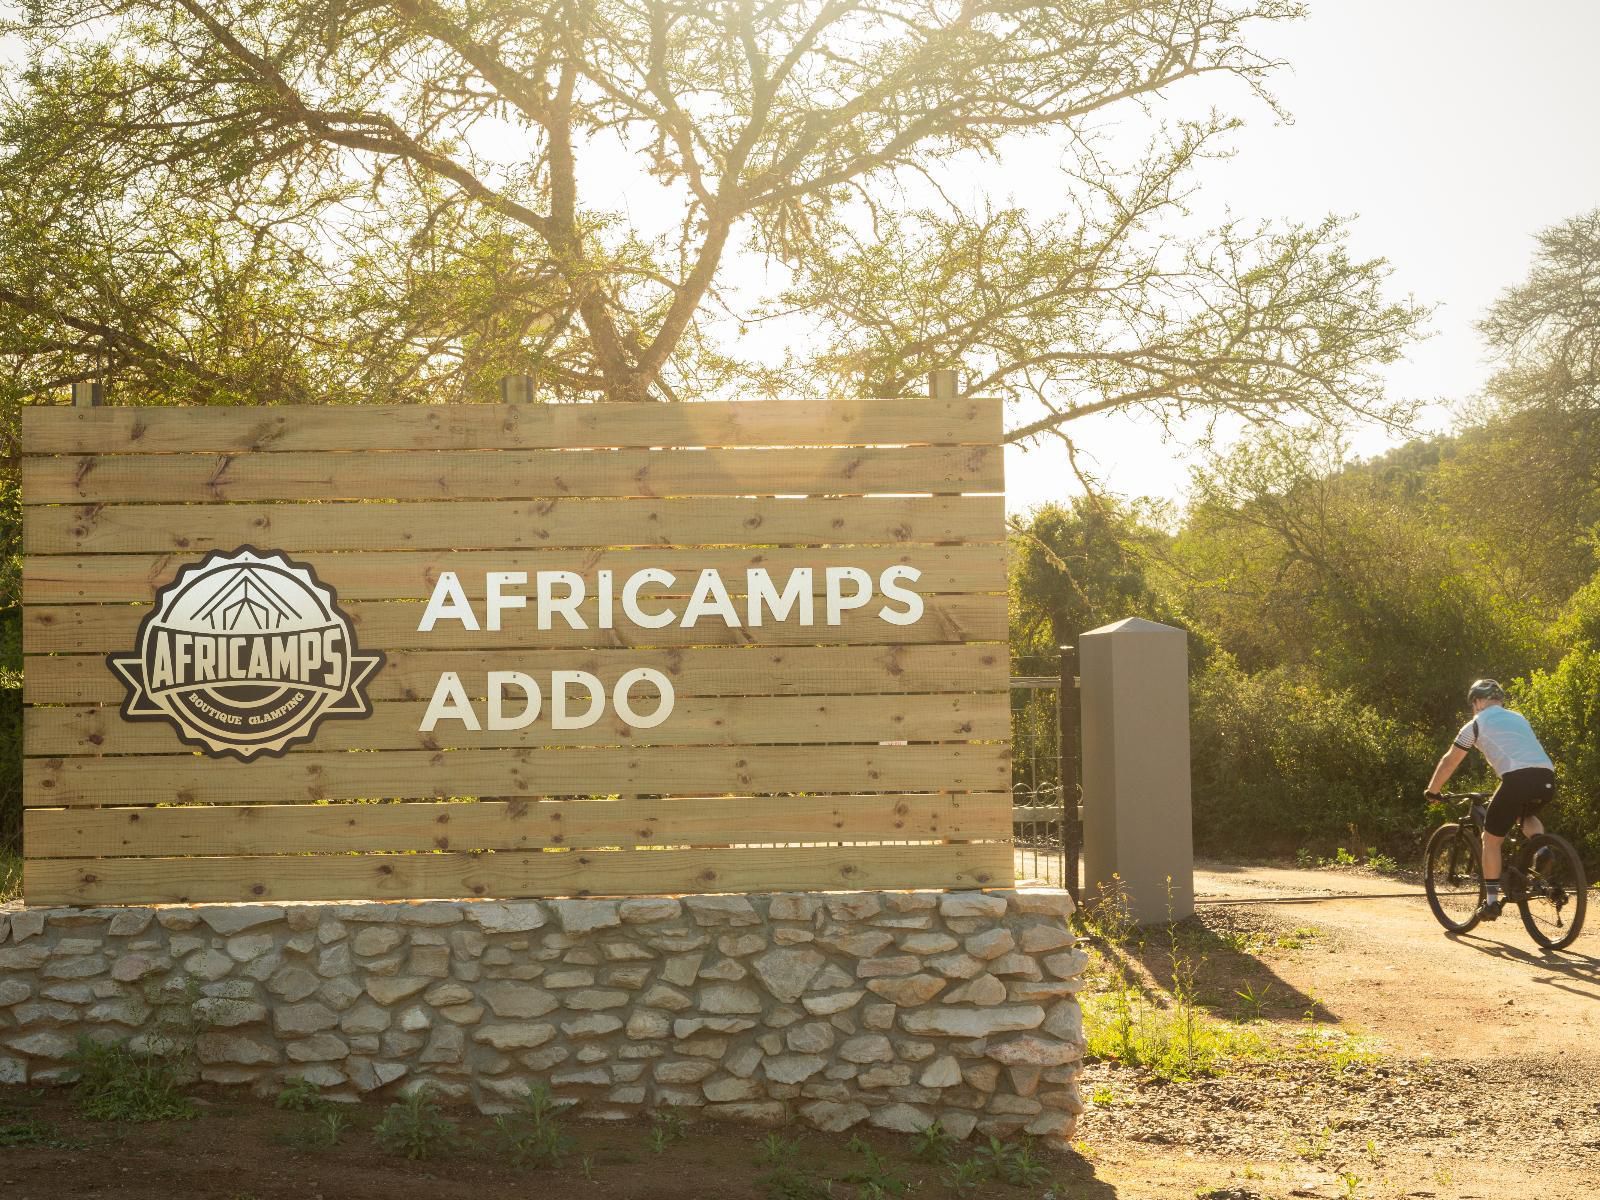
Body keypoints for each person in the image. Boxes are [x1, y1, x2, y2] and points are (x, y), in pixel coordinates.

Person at [1424, 678, 1555, 921]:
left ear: (1478, 701)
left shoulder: (1475, 724)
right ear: (1498, 699)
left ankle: (1492, 902)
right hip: (1546, 777)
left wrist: (1433, 790)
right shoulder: (1518, 717)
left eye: (1473, 704)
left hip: (1516, 779)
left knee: (1490, 840)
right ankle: (1543, 848)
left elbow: (1450, 760)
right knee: (1524, 815)